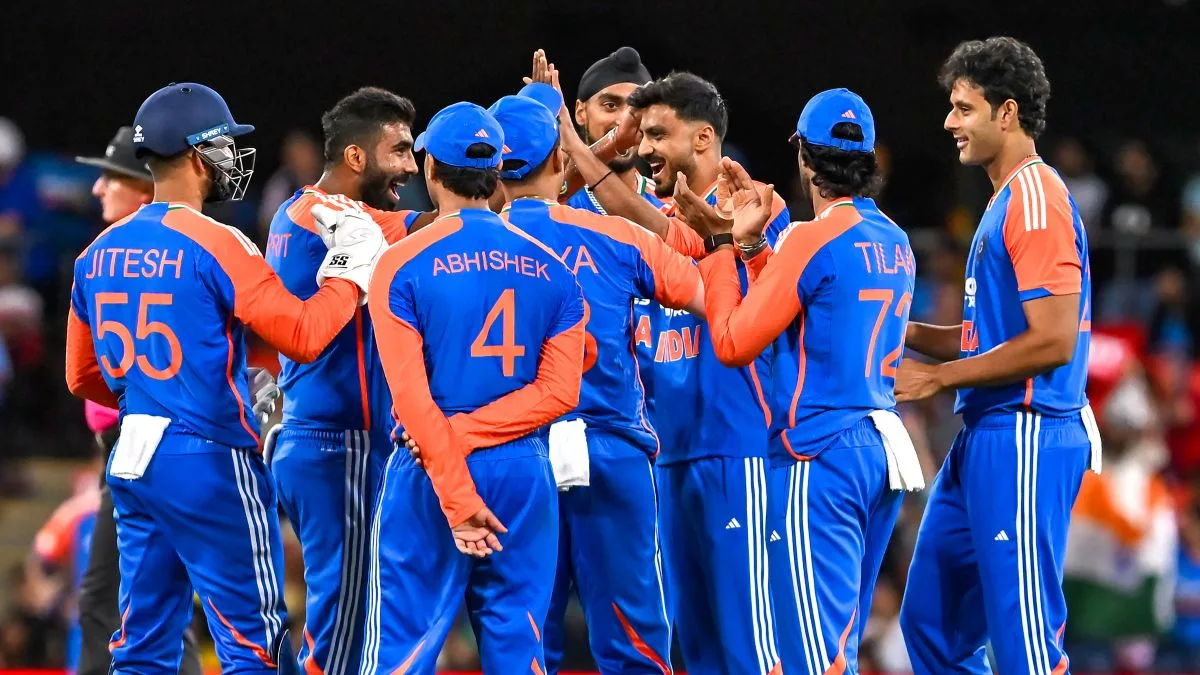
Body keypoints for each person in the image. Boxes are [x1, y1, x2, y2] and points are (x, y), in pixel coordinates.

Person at [64, 82, 384, 674]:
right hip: (209, 457)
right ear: (196, 152)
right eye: (223, 144)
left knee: (141, 646)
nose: (232, 157)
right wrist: (349, 270)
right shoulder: (219, 241)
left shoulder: (97, 252)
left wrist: (164, 393)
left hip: (134, 456)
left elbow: (82, 377)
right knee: (255, 645)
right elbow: (304, 335)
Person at [683, 88, 922, 674]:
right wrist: (754, 246)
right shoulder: (897, 240)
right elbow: (810, 308)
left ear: (804, 159)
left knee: (811, 655)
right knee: (838, 640)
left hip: (819, 456)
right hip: (878, 449)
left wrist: (720, 249)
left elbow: (733, 341)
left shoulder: (813, 238)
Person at [560, 71, 790, 673]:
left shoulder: (755, 207)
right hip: (671, 453)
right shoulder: (661, 216)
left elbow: (656, 227)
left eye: (657, 134)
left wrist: (578, 145)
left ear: (704, 137)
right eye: (643, 136)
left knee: (750, 644)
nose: (645, 148)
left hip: (736, 448)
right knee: (699, 646)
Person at [895, 37, 1101, 675]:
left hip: (1027, 432)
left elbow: (1053, 340)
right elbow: (986, 337)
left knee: (1024, 642)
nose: (949, 122)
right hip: (988, 432)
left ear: (1006, 113)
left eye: (964, 108)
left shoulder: (1035, 199)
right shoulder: (1006, 198)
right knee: (932, 622)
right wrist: (900, 330)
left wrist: (939, 378)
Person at [360, 101, 586, 674]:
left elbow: (412, 401)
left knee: (403, 648)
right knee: (521, 645)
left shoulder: (400, 264)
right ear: (498, 171)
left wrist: (456, 480)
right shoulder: (554, 269)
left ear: (431, 169)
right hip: (523, 471)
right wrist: (469, 435)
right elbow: (560, 392)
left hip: (429, 467)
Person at [490, 84, 704, 673]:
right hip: (611, 449)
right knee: (635, 647)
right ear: (559, 157)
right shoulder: (617, 235)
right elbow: (711, 296)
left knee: (523, 645)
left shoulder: (455, 250)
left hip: (512, 455)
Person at [264, 86, 421, 675]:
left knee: (345, 620)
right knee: (342, 638)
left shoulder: (293, 211)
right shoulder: (340, 218)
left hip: (315, 436)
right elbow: (454, 222)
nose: (411, 167)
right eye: (400, 150)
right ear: (356, 156)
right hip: (342, 443)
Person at [69, 125, 206, 675]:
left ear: (147, 189)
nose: (98, 188)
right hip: (138, 443)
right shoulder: (153, 255)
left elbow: (83, 375)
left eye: (112, 177)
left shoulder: (116, 261)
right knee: (150, 603)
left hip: (146, 443)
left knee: (114, 601)